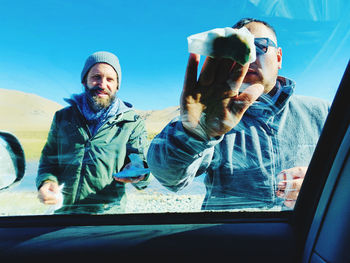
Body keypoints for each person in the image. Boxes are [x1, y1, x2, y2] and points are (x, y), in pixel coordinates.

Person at [147, 18, 330, 211]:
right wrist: (196, 134)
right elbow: (169, 178)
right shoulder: (208, 115)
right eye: (236, 49)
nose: (248, 57)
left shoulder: (322, 113)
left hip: (308, 235)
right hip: (228, 235)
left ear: (278, 58)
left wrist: (325, 182)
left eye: (258, 46)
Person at [36, 51, 150, 214]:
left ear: (117, 85)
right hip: (63, 214)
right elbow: (49, 159)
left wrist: (139, 170)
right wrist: (46, 182)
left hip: (107, 219)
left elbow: (140, 161)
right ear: (85, 81)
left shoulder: (132, 123)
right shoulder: (63, 117)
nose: (102, 84)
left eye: (110, 79)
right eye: (96, 77)